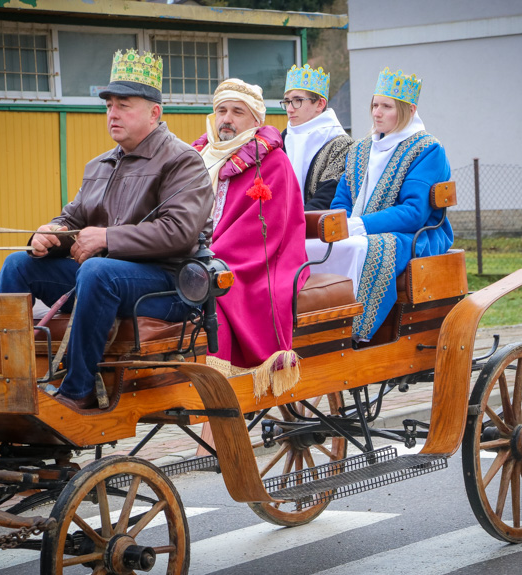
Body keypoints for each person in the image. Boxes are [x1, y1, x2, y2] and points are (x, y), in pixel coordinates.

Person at [0, 50, 214, 411]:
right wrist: (50, 234)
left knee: (98, 270)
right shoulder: (99, 164)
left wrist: (108, 238)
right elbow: (73, 220)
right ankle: (6, 381)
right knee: (18, 264)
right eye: (109, 105)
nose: (112, 114)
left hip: (171, 284)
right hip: (107, 278)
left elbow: (180, 233)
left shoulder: (182, 160)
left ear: (154, 112)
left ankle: (78, 389)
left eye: (123, 105)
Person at [306, 67, 454, 342]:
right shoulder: (360, 149)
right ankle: (314, 330)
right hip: (361, 228)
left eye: (386, 106)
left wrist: (359, 226)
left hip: (412, 235)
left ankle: (349, 329)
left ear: (409, 110)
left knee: (357, 247)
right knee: (311, 245)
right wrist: (338, 225)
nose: (376, 112)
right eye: (375, 105)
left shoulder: (427, 149)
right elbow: (342, 200)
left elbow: (414, 213)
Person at [192, 78, 308, 397]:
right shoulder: (198, 157)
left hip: (257, 260)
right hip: (192, 253)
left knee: (216, 285)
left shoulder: (272, 163)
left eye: (237, 112)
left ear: (256, 121)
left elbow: (261, 231)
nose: (226, 119)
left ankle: (218, 404)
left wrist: (204, 256)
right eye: (221, 110)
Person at [280, 64, 352, 211]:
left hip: (316, 227)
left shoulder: (341, 144)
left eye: (297, 100)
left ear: (320, 104)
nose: (289, 109)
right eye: (287, 101)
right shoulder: (281, 139)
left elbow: (326, 198)